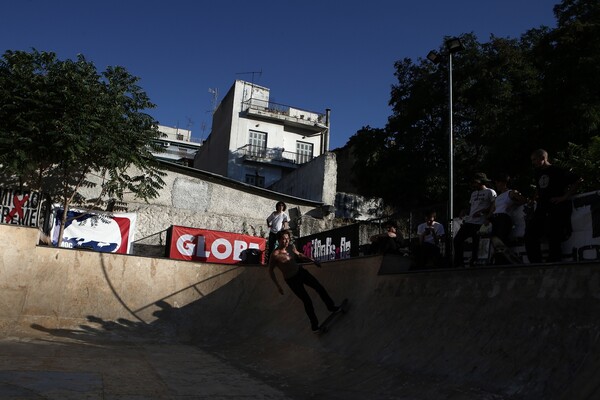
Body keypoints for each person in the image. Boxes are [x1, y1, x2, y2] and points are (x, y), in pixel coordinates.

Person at [268, 230, 341, 333]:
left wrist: (313, 260)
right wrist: (278, 286)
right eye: (284, 239)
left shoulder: (291, 247)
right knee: (307, 301)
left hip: (301, 272)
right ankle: (315, 326)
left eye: (288, 239)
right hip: (292, 280)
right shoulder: (275, 254)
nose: (286, 241)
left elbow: (300, 255)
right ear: (279, 240)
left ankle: (331, 306)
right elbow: (270, 271)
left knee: (319, 287)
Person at [525, 149, 583, 263]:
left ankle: (554, 261)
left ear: (543, 158)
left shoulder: (557, 171)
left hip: (555, 206)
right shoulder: (537, 173)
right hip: (541, 207)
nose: (533, 162)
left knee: (554, 234)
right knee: (530, 233)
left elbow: (579, 180)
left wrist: (564, 197)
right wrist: (534, 199)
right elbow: (539, 188)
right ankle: (535, 262)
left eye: (535, 160)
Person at [454, 173, 497, 267]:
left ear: (481, 182)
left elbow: (494, 206)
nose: (473, 185)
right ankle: (459, 263)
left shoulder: (490, 192)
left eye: (475, 182)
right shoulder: (473, 193)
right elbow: (473, 207)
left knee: (476, 243)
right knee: (457, 239)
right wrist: (465, 211)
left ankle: (474, 262)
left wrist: (486, 215)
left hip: (480, 222)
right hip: (470, 221)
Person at [488, 174, 527, 264]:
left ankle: (504, 261)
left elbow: (523, 200)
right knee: (495, 241)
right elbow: (492, 210)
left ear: (503, 183)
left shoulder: (511, 192)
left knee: (501, 240)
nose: (496, 185)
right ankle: (498, 261)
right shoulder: (497, 197)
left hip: (504, 218)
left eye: (498, 183)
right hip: (495, 219)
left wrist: (515, 203)